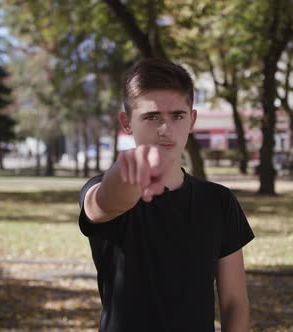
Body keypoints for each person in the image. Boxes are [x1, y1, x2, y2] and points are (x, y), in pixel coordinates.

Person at [78, 58, 254, 331]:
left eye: (177, 116)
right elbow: (104, 203)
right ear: (126, 122)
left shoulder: (219, 202)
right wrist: (128, 169)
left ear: (192, 119)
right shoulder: (104, 187)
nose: (165, 129)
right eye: (151, 117)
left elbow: (234, 302)